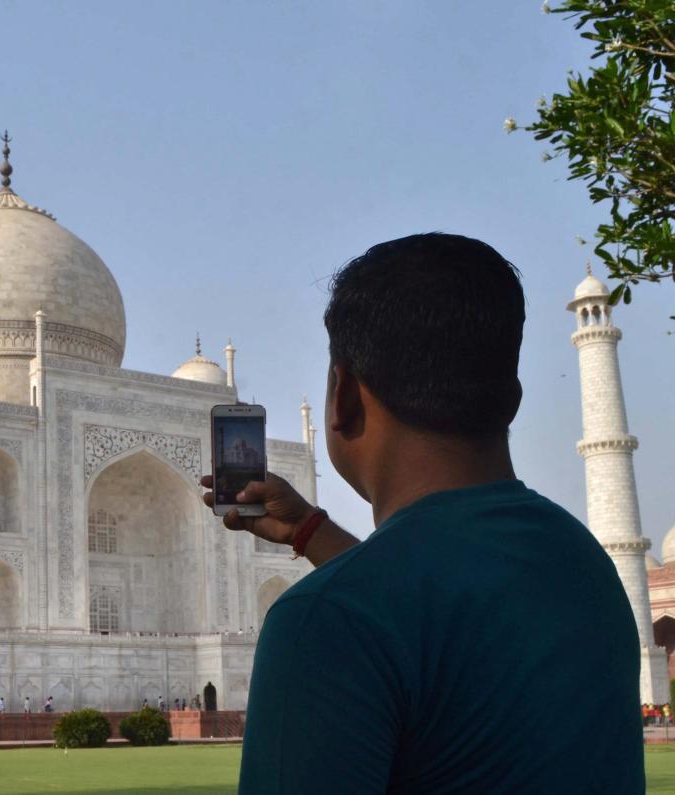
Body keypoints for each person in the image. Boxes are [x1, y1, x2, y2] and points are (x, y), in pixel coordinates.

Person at [204, 234, 643, 793]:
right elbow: (443, 613)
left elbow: (404, 616)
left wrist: (332, 574)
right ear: (511, 393)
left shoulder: (320, 624)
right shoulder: (584, 563)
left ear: (342, 397)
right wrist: (312, 532)